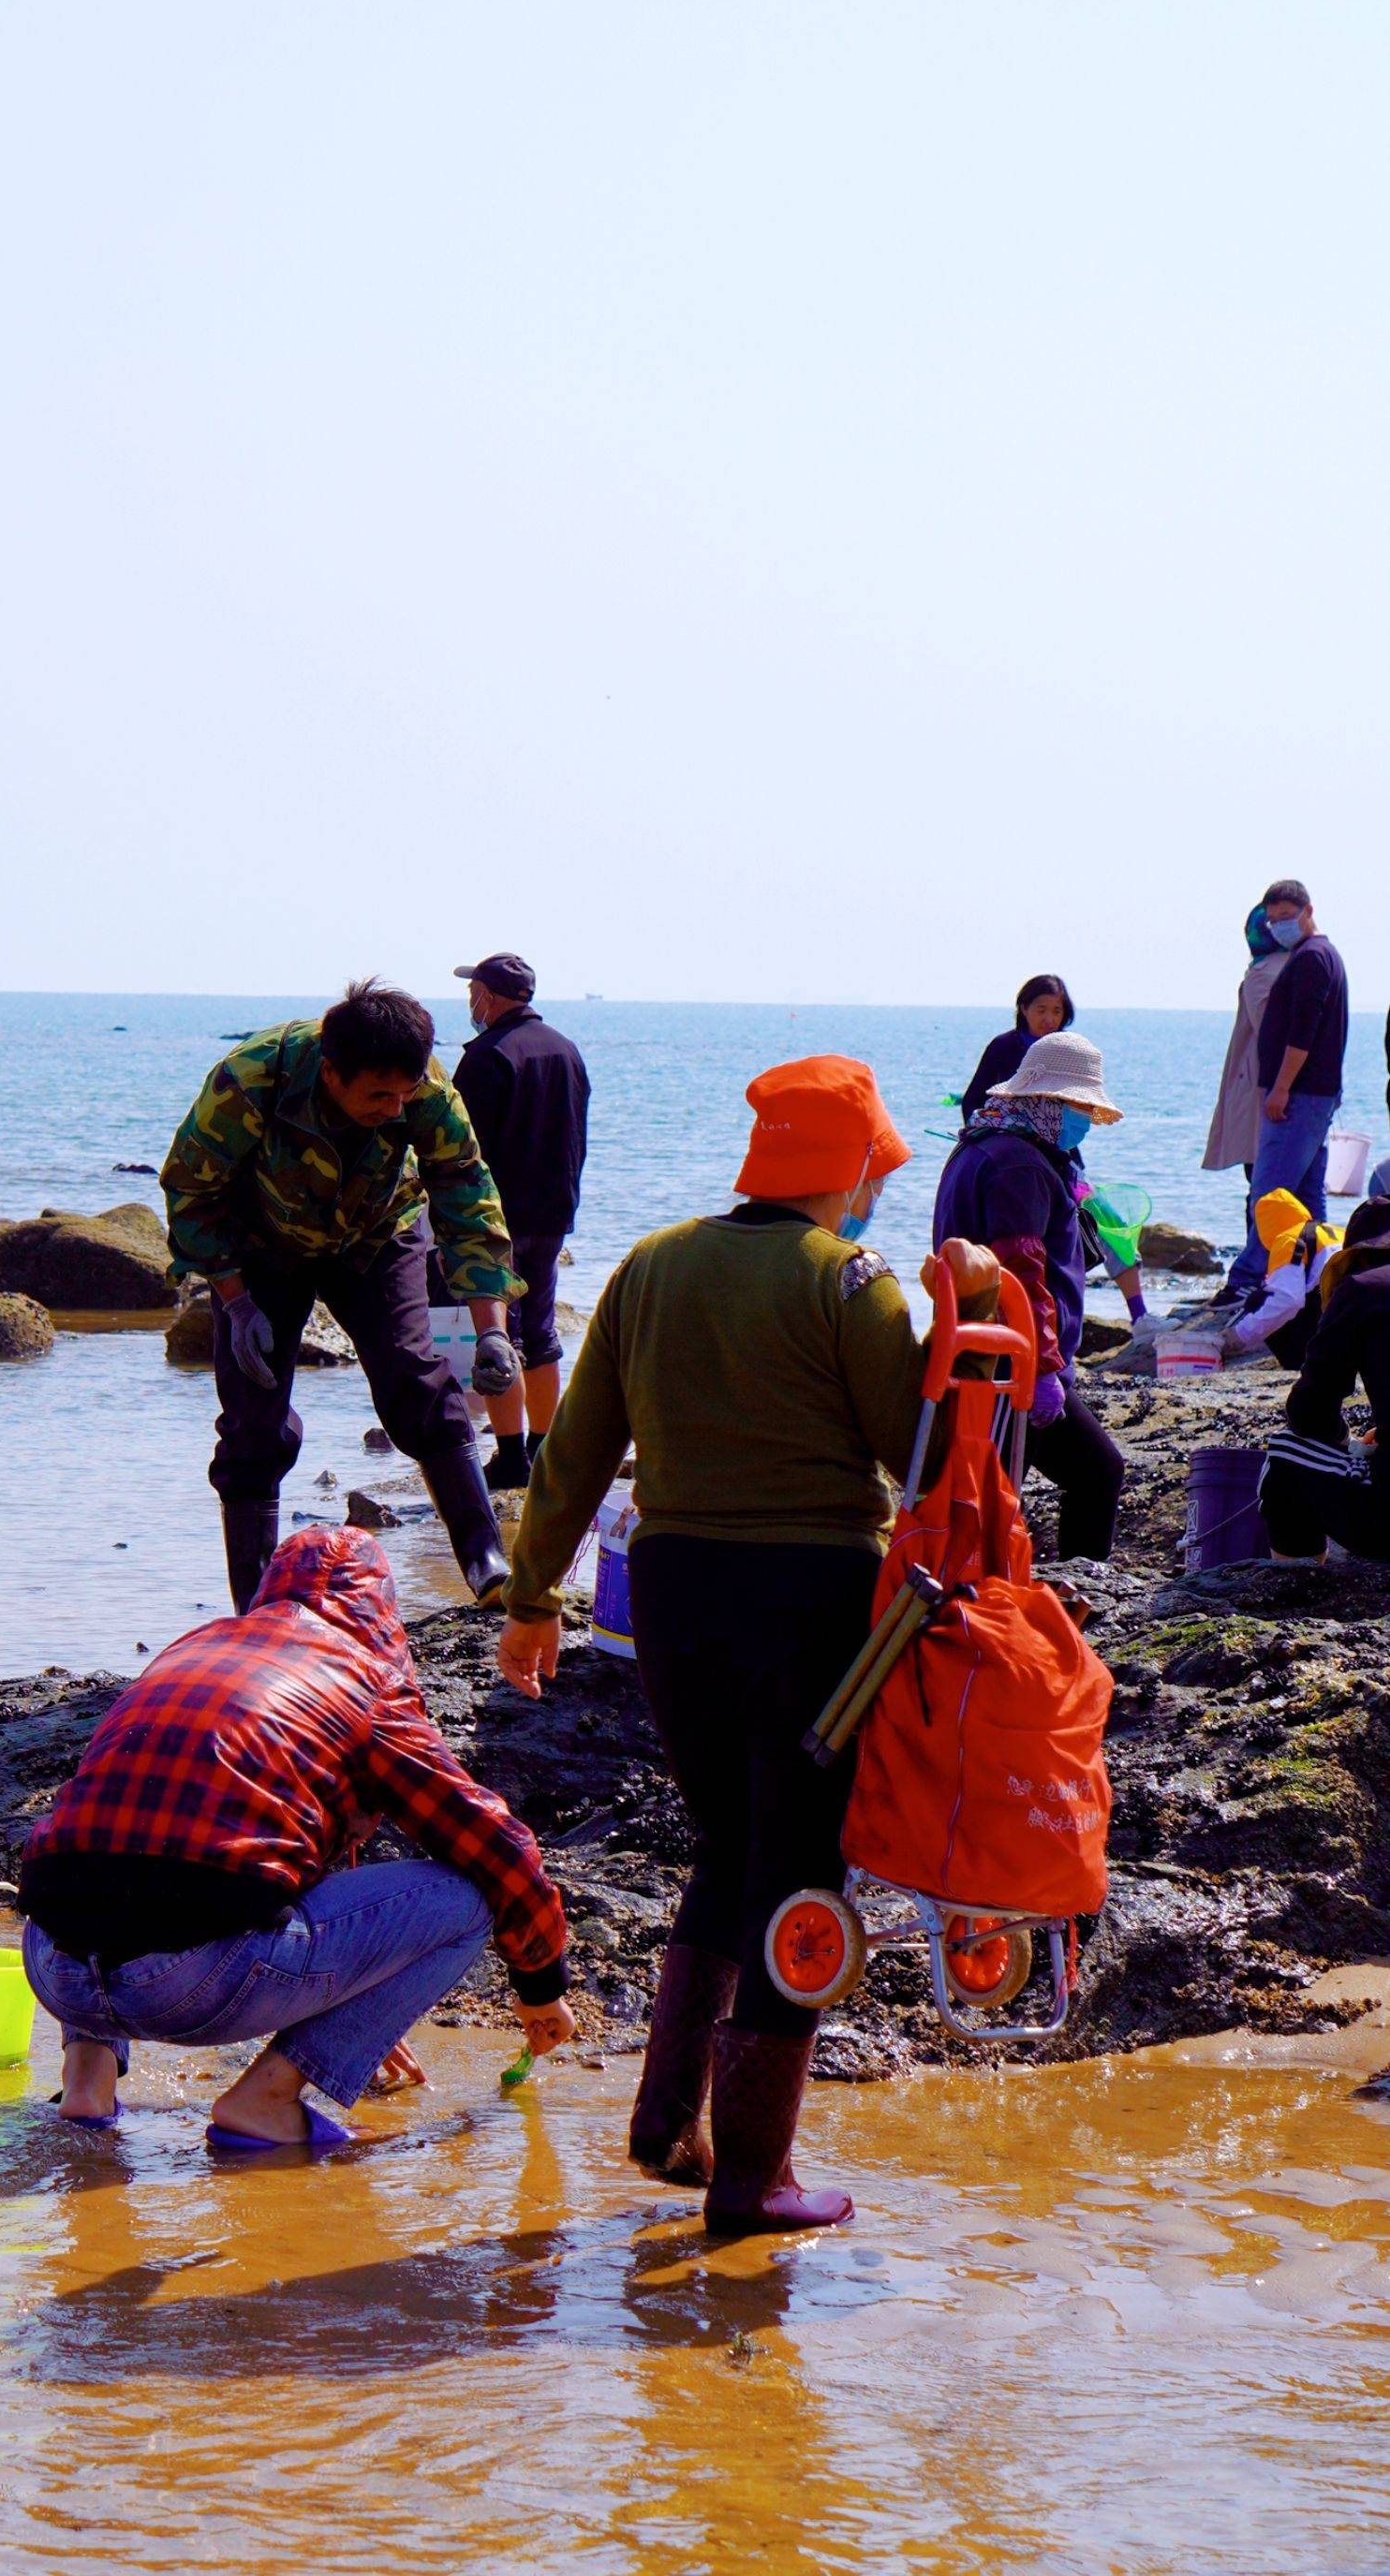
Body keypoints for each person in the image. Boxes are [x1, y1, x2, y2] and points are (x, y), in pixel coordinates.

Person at [501, 1055, 1002, 2235]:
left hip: (669, 1593)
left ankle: (668, 2118)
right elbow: (919, 1461)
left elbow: (573, 1447)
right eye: (879, 1164)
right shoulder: (849, 1280)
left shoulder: (652, 1262)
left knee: (726, 1846)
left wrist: (532, 1597)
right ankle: (753, 2174)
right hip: (810, 1595)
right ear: (856, 1166)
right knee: (797, 1867)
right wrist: (968, 1318)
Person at [21, 1524, 574, 2149]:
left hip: (53, 1965)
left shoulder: (194, 1647)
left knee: (111, 1841)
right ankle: (266, 2098)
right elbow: (495, 1844)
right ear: (380, 1614)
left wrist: (356, 1989)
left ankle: (85, 2084)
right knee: (464, 1899)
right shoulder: (364, 1680)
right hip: (186, 1987)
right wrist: (540, 1985)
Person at [161, 980, 523, 1613]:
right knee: (254, 1416)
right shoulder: (250, 1079)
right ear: (331, 1073)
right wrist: (236, 1301)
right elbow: (192, 1193)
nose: (394, 1106)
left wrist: (490, 1325)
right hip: (262, 1246)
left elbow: (466, 1191)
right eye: (378, 1095)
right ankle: (255, 1604)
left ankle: (485, 1562)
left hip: (376, 1235)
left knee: (414, 1381)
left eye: (403, 1094)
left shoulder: (422, 1087)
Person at [932, 1031, 1128, 1563]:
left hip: (983, 1352)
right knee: (1002, 1499)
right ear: (1046, 1102)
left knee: (1086, 1475)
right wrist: (1041, 1369)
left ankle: (1064, 1597)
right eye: (1079, 1107)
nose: (1084, 1120)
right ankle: (1040, 1606)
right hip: (1012, 1364)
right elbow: (1021, 1275)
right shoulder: (1020, 1166)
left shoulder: (982, 1144)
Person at [450, 952, 590, 1489]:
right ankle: (543, 1449)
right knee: (542, 1326)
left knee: (497, 1328)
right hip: (554, 1209)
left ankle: (510, 1456)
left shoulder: (487, 1056)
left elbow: (460, 1147)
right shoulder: (566, 1050)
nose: (469, 1001)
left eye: (473, 992)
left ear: (489, 995)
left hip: (496, 1215)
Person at [1223, 881, 1349, 1301]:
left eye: (1285, 918)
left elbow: (1303, 1032)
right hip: (1314, 1093)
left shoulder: (1313, 958)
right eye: (1273, 920)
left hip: (1299, 1094)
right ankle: (1324, 1276)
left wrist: (1280, 1088)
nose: (1279, 927)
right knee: (1308, 1195)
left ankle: (1247, 1280)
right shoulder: (1316, 956)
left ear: (1307, 910)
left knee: (1271, 1193)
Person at [1258, 1201, 1390, 1561]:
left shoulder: (1363, 1289)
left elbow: (1309, 1412)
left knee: (1286, 1450)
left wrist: (1347, 1441)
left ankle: (1301, 1590)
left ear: (1357, 1257)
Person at [1203, 902, 1285, 1248]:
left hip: (1259, 1092)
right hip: (1275, 1089)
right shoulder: (1292, 965)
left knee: (1260, 1183)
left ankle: (1259, 1258)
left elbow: (1268, 1029)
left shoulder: (1263, 972)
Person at [1228, 1190, 1341, 1370]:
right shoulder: (1335, 1231)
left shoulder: (1288, 1239)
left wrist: (1240, 1336)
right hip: (1361, 1314)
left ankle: (1301, 1364)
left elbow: (1288, 1299)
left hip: (1335, 1319)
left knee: (1259, 1300)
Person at [960, 975, 1074, 1126]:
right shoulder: (1002, 1045)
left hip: (1056, 1139)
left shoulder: (1070, 1050)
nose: (1049, 1019)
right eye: (1041, 1011)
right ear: (1024, 1008)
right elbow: (972, 1101)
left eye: (1056, 1011)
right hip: (1002, 1132)